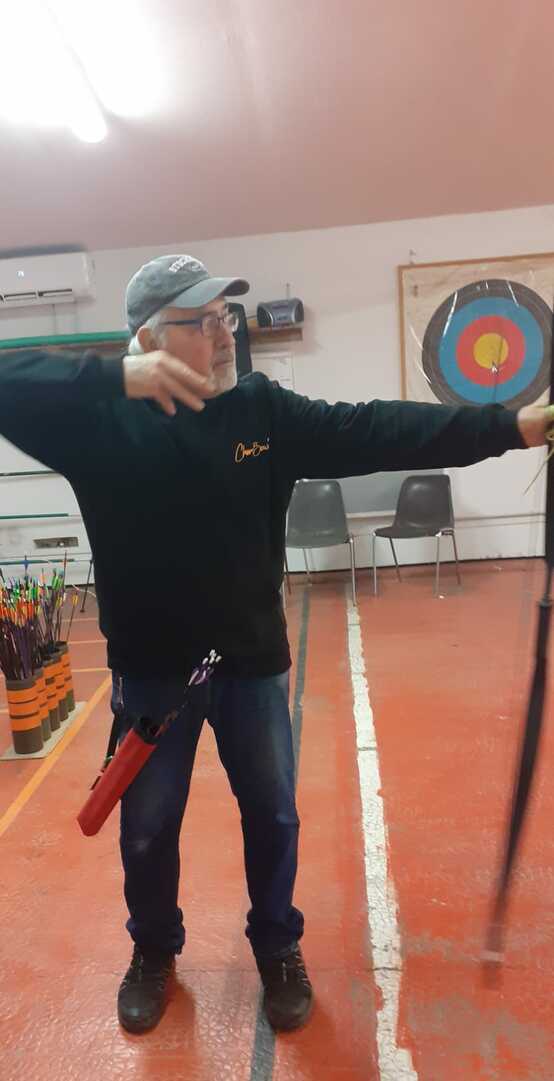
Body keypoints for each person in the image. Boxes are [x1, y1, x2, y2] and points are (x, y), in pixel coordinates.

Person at [0, 253, 550, 1035]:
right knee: (147, 829)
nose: (225, 334)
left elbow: (377, 429)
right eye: (201, 323)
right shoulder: (100, 423)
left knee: (273, 815)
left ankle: (276, 944)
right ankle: (153, 950)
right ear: (149, 339)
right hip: (152, 676)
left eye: (225, 317)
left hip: (251, 663)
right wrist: (112, 379)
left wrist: (512, 426)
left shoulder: (261, 411)